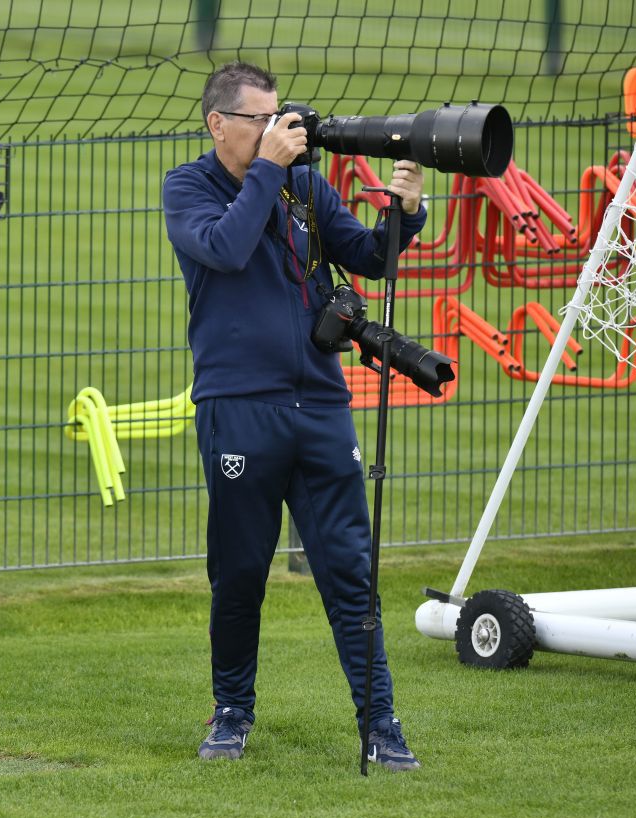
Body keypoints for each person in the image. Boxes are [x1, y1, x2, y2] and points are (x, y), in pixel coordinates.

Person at [162, 63, 425, 771]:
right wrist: (268, 172)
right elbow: (225, 247)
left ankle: (380, 724)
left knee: (350, 573)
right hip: (238, 407)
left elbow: (369, 258)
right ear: (218, 124)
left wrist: (403, 214)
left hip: (322, 406)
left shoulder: (304, 185)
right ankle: (232, 712)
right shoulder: (187, 188)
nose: (279, 129)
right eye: (260, 119)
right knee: (240, 573)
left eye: (279, 116)